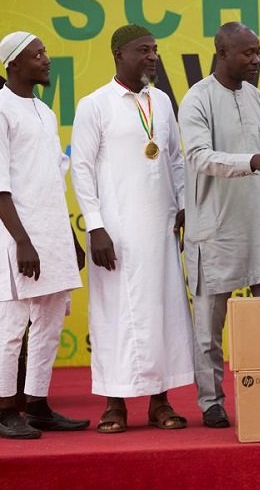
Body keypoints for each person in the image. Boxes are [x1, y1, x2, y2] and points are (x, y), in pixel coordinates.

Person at [70, 24, 194, 433]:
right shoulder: (95, 105)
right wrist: (96, 227)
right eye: (144, 50)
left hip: (159, 230)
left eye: (155, 50)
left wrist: (180, 206)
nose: (152, 57)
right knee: (115, 316)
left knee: (163, 312)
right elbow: (82, 171)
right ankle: (114, 404)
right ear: (119, 54)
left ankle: (161, 402)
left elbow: (174, 159)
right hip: (116, 232)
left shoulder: (159, 101)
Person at [180, 22, 260, 428]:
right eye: (247, 53)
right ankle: (211, 402)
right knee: (209, 327)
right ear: (222, 53)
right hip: (216, 230)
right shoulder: (197, 100)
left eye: (259, 52)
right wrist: (251, 161)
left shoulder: (258, 98)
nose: (256, 59)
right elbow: (198, 157)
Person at [0, 31, 88, 439]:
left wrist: (68, 235)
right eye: (37, 55)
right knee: (12, 325)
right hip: (15, 235)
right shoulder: (1, 107)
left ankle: (36, 404)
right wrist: (22, 241)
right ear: (14, 64)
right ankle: (5, 410)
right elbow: (0, 186)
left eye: (45, 53)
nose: (46, 60)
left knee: (50, 321)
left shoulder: (44, 110)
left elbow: (54, 178)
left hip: (51, 234)